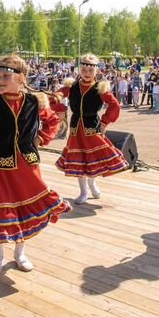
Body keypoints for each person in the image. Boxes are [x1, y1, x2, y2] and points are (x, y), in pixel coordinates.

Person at [0, 55, 69, 273]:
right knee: (1, 210)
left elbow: (54, 120)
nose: (0, 80)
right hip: (2, 165)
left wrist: (41, 138)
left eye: (6, 76)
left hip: (28, 165)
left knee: (24, 210)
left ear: (21, 78)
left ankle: (20, 252)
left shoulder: (34, 101)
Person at [55, 54, 129, 204]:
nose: (86, 73)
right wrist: (60, 107)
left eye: (90, 70)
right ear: (79, 70)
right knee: (79, 160)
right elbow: (55, 97)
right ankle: (83, 192)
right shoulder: (72, 86)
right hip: (76, 129)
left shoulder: (100, 88)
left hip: (92, 128)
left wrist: (105, 122)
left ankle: (92, 183)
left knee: (92, 159)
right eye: (83, 69)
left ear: (96, 71)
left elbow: (115, 105)